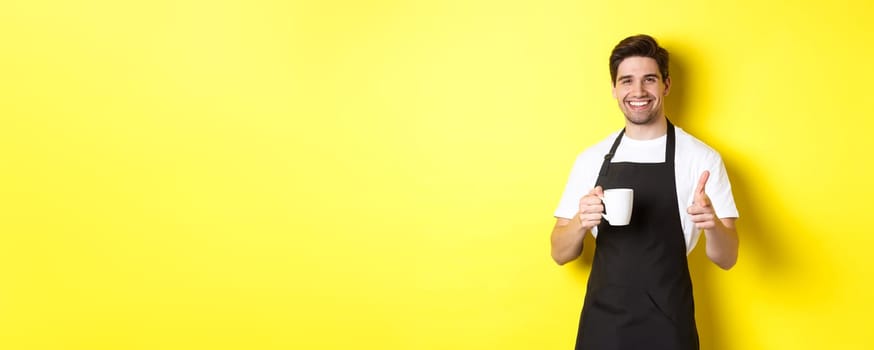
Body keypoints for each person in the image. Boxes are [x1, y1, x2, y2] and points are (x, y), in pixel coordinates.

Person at [550, 34, 739, 350]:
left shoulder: (701, 159)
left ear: (666, 84)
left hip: (670, 327)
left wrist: (713, 225)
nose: (637, 92)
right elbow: (559, 253)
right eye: (627, 81)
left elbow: (727, 257)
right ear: (614, 89)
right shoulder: (592, 159)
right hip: (603, 327)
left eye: (649, 80)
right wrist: (580, 222)